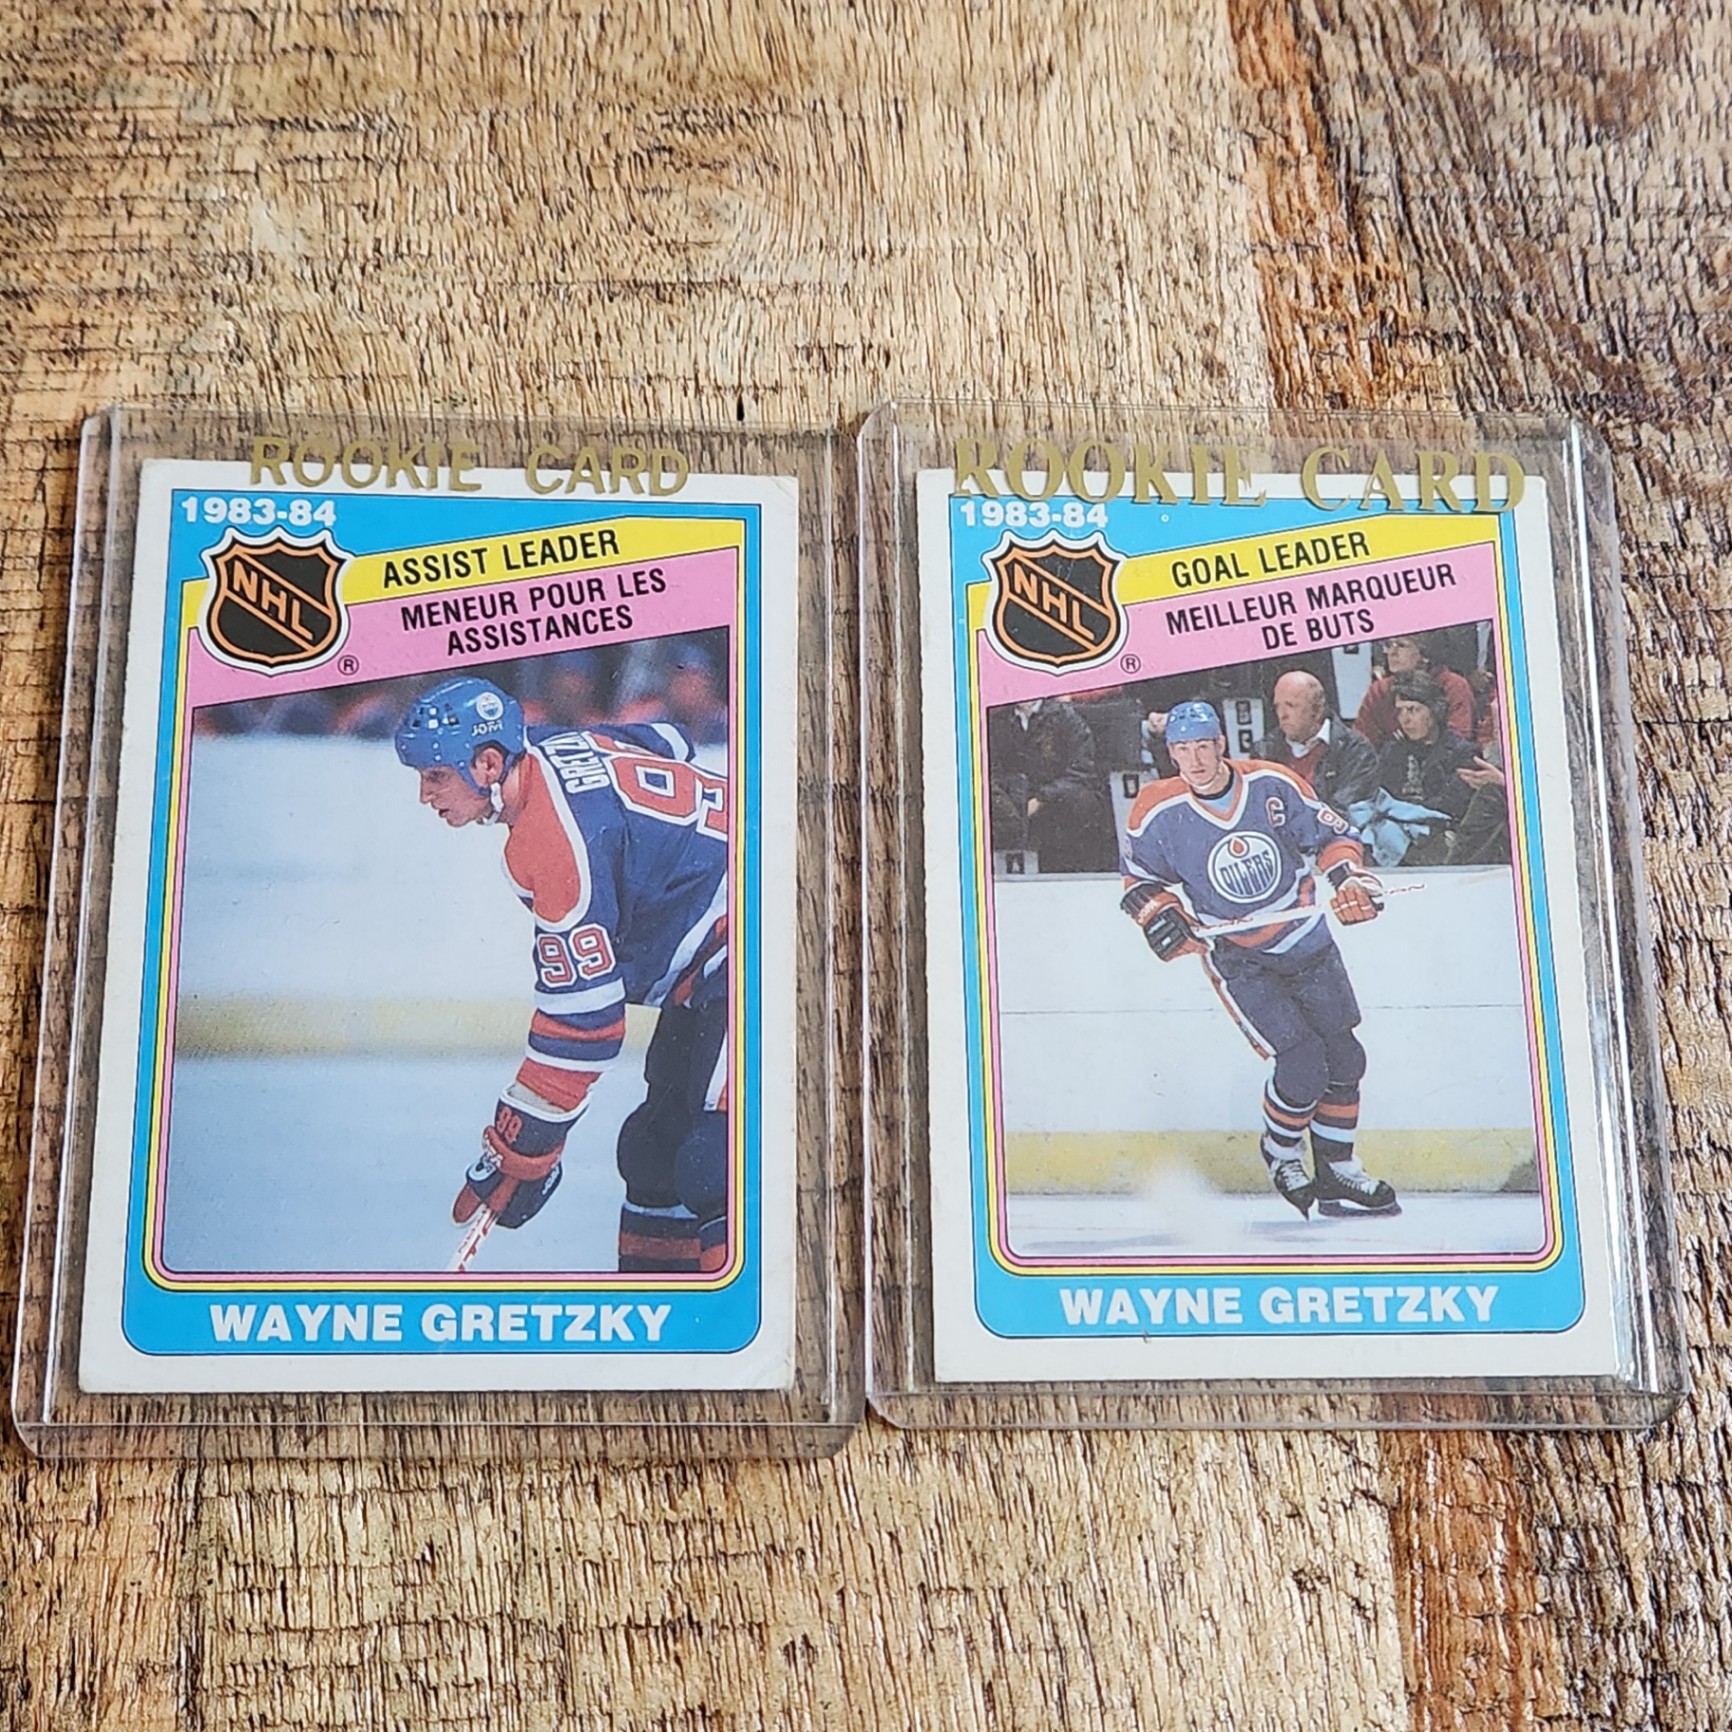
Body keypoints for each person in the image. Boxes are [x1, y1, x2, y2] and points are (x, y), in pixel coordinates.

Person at [394, 675, 729, 1273]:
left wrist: (524, 1143)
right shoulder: (552, 745)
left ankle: (734, 1325)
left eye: (436, 775)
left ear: (488, 764)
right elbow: (669, 741)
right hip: (712, 964)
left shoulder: (549, 842)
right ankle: (663, 1315)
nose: (425, 795)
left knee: (720, 1161)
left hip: (764, 938)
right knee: (654, 1153)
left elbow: (586, 1025)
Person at [1120, 701, 1397, 1218]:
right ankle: (1282, 1152)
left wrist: (1349, 880)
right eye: (1183, 749)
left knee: (1345, 1057)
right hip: (1239, 956)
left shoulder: (1272, 783)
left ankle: (1337, 1170)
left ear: (1221, 744)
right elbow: (1139, 881)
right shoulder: (1156, 809)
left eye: (1203, 746)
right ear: (1171, 753)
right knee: (1303, 1063)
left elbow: (1334, 835)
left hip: (1308, 940)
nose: (1195, 759)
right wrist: (1161, 915)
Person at [986, 696, 1115, 872]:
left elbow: (1082, 770)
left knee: (1082, 802)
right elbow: (993, 772)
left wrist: (1042, 798)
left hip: (1058, 797)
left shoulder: (1065, 717)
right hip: (1014, 802)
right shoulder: (998, 722)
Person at [1373, 672, 1479, 865]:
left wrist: (1402, 808)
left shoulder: (1462, 753)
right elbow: (1379, 796)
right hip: (1393, 831)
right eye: (1400, 711)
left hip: (1441, 833)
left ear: (1434, 711)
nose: (1405, 720)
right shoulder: (1392, 750)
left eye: (1413, 710)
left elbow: (1452, 805)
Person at [1251, 670, 1379, 818]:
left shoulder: (1355, 751)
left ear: (1317, 709)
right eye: (1277, 706)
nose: (1282, 714)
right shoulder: (1264, 752)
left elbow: (1343, 812)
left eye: (1291, 705)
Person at [1355, 634, 1475, 744]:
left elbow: (1458, 739)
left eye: (1401, 645)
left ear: (1425, 654)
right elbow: (1362, 740)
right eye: (1389, 645)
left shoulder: (1453, 686)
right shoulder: (1379, 690)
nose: (1392, 652)